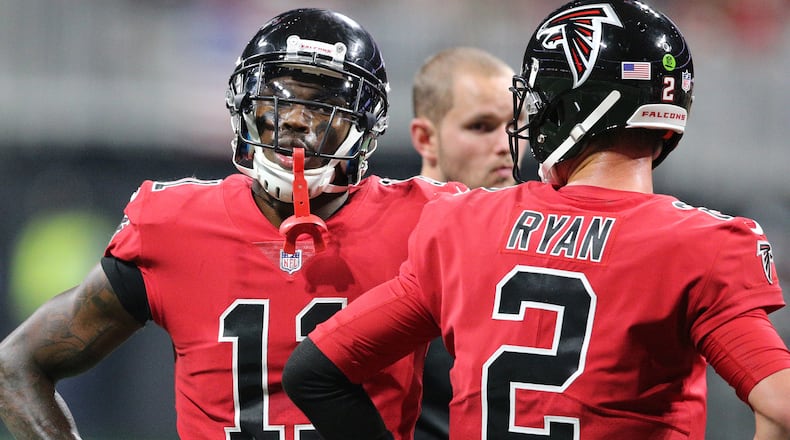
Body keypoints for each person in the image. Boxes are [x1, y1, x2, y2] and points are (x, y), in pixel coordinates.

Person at [282, 1, 790, 439]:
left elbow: (312, 371)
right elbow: (781, 408)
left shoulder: (463, 221)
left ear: (570, 107)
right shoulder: (703, 244)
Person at [0, 8, 466, 440]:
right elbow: (16, 365)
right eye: (279, 100)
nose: (298, 121)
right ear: (245, 105)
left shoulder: (425, 222)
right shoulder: (175, 225)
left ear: (366, 123)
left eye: (324, 106)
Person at [408, 46, 520, 440]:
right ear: (425, 138)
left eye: (516, 124)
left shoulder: (537, 241)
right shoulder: (386, 235)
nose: (507, 143)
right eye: (482, 126)